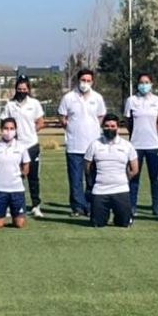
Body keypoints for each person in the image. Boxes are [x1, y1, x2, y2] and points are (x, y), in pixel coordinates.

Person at [58, 68, 106, 217]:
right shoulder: (68, 98)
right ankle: (78, 207)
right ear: (78, 80)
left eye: (88, 80)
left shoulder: (97, 98)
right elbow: (62, 117)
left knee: (92, 178)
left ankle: (91, 205)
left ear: (92, 82)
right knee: (75, 179)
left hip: (93, 146)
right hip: (74, 145)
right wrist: (72, 128)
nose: (85, 83)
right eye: (83, 80)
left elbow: (100, 116)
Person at [0, 76, 46, 217]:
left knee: (33, 178)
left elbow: (40, 122)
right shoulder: (10, 105)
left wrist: (30, 132)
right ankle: (9, 206)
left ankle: (36, 206)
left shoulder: (34, 103)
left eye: (24, 89)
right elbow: (3, 123)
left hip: (31, 145)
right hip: (15, 147)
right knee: (13, 177)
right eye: (19, 89)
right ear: (16, 89)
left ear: (28, 89)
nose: (22, 91)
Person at [84, 114, 138, 228]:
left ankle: (124, 215)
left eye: (113, 126)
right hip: (100, 190)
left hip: (121, 189)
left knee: (124, 223)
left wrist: (123, 180)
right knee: (97, 224)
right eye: (107, 126)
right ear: (103, 127)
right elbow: (87, 167)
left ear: (118, 128)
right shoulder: (94, 145)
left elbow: (134, 169)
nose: (110, 128)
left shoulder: (127, 146)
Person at [123, 72, 158, 216]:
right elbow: (128, 122)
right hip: (136, 146)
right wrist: (135, 134)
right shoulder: (131, 100)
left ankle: (155, 206)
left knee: (155, 178)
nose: (144, 85)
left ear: (151, 84)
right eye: (141, 82)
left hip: (153, 145)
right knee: (134, 177)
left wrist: (154, 134)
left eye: (147, 82)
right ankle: (132, 206)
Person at [0, 118, 31, 229]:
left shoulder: (21, 147)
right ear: (1, 129)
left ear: (15, 130)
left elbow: (26, 165)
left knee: (19, 224)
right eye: (6, 128)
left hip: (17, 190)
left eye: (11, 128)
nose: (8, 131)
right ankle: (0, 215)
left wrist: (21, 176)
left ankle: (15, 214)